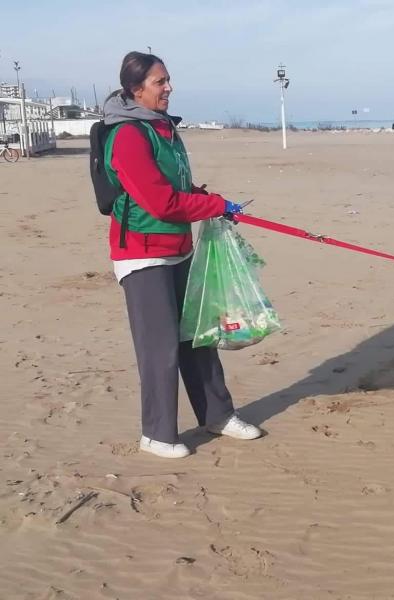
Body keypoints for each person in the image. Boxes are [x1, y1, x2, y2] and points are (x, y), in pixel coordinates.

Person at [102, 51, 262, 459]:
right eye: (160, 82)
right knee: (160, 348)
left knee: (197, 337)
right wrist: (214, 206)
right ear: (136, 90)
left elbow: (181, 189)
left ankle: (218, 415)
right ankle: (156, 433)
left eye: (168, 79)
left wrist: (211, 201)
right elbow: (159, 202)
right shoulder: (127, 135)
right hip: (141, 254)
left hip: (178, 249)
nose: (169, 87)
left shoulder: (165, 131)